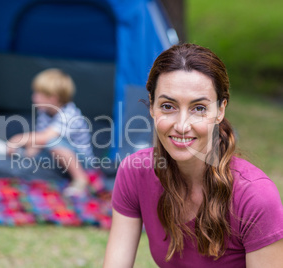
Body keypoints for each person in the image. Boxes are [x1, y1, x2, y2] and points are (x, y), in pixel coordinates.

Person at [104, 44, 283, 267]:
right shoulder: (135, 172)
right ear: (151, 107)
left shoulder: (255, 197)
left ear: (220, 110)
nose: (181, 125)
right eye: (168, 106)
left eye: (198, 108)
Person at [7, 68, 94, 196]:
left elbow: (46, 137)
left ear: (53, 99)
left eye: (38, 94)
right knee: (32, 152)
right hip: (57, 159)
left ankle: (80, 178)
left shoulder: (69, 114)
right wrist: (29, 153)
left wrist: (17, 139)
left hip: (82, 162)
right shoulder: (44, 112)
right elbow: (39, 138)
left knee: (53, 141)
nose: (33, 98)